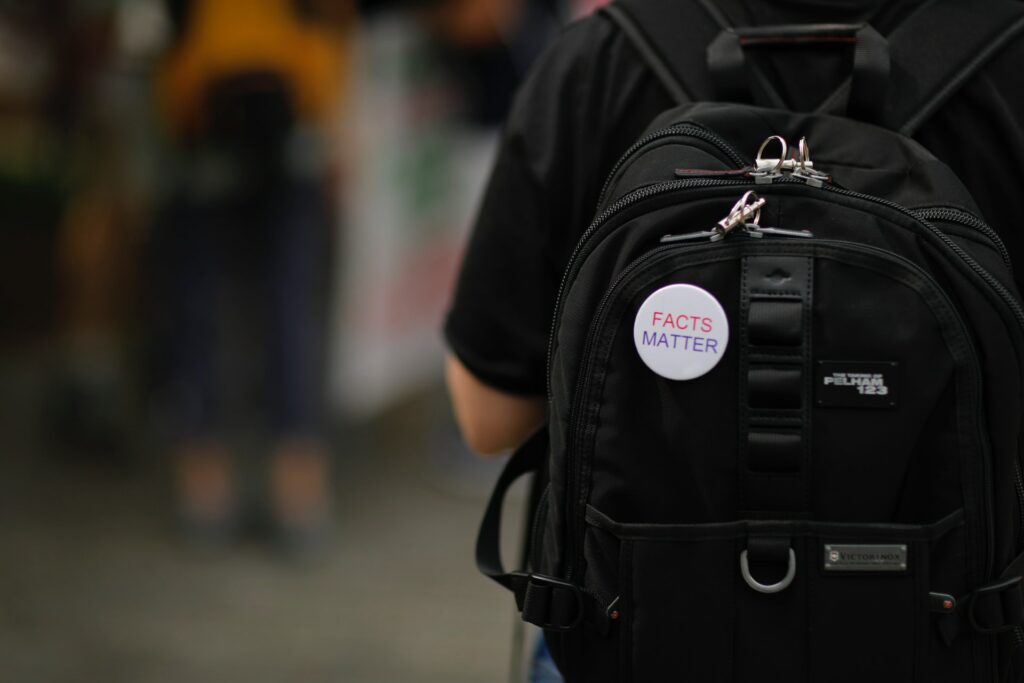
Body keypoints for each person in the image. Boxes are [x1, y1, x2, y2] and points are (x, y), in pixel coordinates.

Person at [443, 0, 1024, 678]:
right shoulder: (1010, 56)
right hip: (943, 630)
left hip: (636, 625)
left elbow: (489, 415)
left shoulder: (601, 58)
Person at [155, 0, 351, 550]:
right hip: (226, 103)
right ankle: (238, 480)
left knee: (261, 304)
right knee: (222, 304)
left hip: (268, 103)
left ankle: (269, 482)